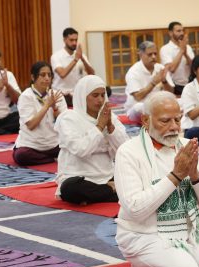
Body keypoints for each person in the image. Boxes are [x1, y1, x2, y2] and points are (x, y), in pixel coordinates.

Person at [114, 91, 199, 267]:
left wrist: (195, 175)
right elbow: (135, 210)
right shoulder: (129, 152)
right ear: (146, 120)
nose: (174, 127)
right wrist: (175, 176)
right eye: (165, 121)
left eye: (177, 119)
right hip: (145, 233)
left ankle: (183, 259)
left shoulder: (187, 148)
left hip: (190, 230)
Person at [54, 75, 129, 205]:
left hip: (107, 176)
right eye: (95, 95)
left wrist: (111, 128)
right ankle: (112, 191)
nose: (100, 100)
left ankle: (98, 195)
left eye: (102, 95)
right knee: (69, 188)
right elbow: (81, 150)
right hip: (79, 176)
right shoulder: (69, 119)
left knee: (139, 177)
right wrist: (99, 127)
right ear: (83, 96)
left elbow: (126, 151)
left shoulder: (110, 117)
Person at [13, 62, 67, 166]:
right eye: (43, 75)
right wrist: (47, 106)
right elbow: (31, 125)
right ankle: (52, 159)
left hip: (54, 143)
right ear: (33, 77)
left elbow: (64, 123)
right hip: (31, 144)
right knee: (21, 156)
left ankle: (51, 157)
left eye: (49, 75)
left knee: (71, 148)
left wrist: (55, 108)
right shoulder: (26, 96)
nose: (47, 78)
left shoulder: (56, 94)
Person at [125, 41, 174, 122]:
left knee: (180, 102)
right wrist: (153, 83)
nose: (153, 57)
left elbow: (171, 92)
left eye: (155, 54)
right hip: (138, 108)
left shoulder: (160, 68)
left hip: (157, 105)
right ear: (141, 55)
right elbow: (138, 96)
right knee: (139, 107)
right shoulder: (133, 72)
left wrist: (164, 81)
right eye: (150, 54)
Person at [51, 27, 95, 106]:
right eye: (71, 40)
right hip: (61, 94)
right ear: (64, 40)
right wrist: (75, 59)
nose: (74, 43)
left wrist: (83, 60)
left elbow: (92, 74)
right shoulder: (56, 56)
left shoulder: (81, 55)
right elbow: (62, 74)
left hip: (76, 94)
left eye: (76, 40)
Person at [0, 47, 21, 135]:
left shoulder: (8, 75)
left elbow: (19, 101)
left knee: (23, 117)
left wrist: (8, 86)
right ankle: (7, 135)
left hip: (6, 119)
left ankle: (2, 134)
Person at [160, 21, 194, 96]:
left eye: (182, 31)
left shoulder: (188, 47)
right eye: (178, 31)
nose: (182, 33)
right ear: (170, 33)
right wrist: (181, 51)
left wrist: (185, 54)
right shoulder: (165, 49)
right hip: (173, 86)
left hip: (189, 84)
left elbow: (193, 67)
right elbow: (172, 69)